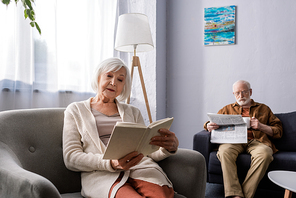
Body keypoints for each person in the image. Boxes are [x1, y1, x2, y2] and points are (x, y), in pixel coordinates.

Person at [63, 57, 179, 198]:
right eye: (109, 76)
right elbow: (71, 157)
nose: (113, 83)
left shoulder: (133, 111)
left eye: (120, 80)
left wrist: (167, 148)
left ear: (124, 85)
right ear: (98, 77)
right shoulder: (75, 110)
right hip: (102, 175)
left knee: (163, 195)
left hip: (141, 168)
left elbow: (147, 153)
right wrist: (111, 164)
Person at [204, 80, 283, 198]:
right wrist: (208, 125)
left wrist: (261, 126)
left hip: (257, 141)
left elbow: (278, 131)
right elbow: (210, 122)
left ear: (250, 92)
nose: (241, 96)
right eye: (237, 93)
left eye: (244, 92)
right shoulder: (226, 109)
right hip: (233, 141)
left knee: (265, 154)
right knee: (224, 151)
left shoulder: (264, 109)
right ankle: (234, 193)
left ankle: (243, 195)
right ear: (234, 94)